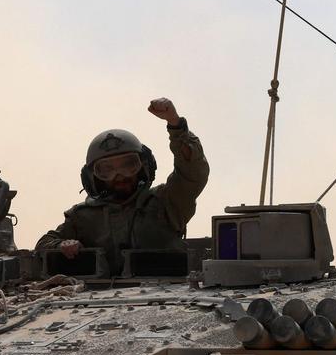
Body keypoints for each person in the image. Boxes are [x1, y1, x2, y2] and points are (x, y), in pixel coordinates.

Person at [35, 98, 209, 275]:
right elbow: (43, 245)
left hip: (165, 292)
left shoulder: (167, 202)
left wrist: (175, 125)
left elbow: (192, 172)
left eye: (128, 165)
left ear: (143, 166)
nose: (119, 176)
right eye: (107, 169)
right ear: (93, 177)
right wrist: (61, 245)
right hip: (93, 296)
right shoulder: (83, 217)